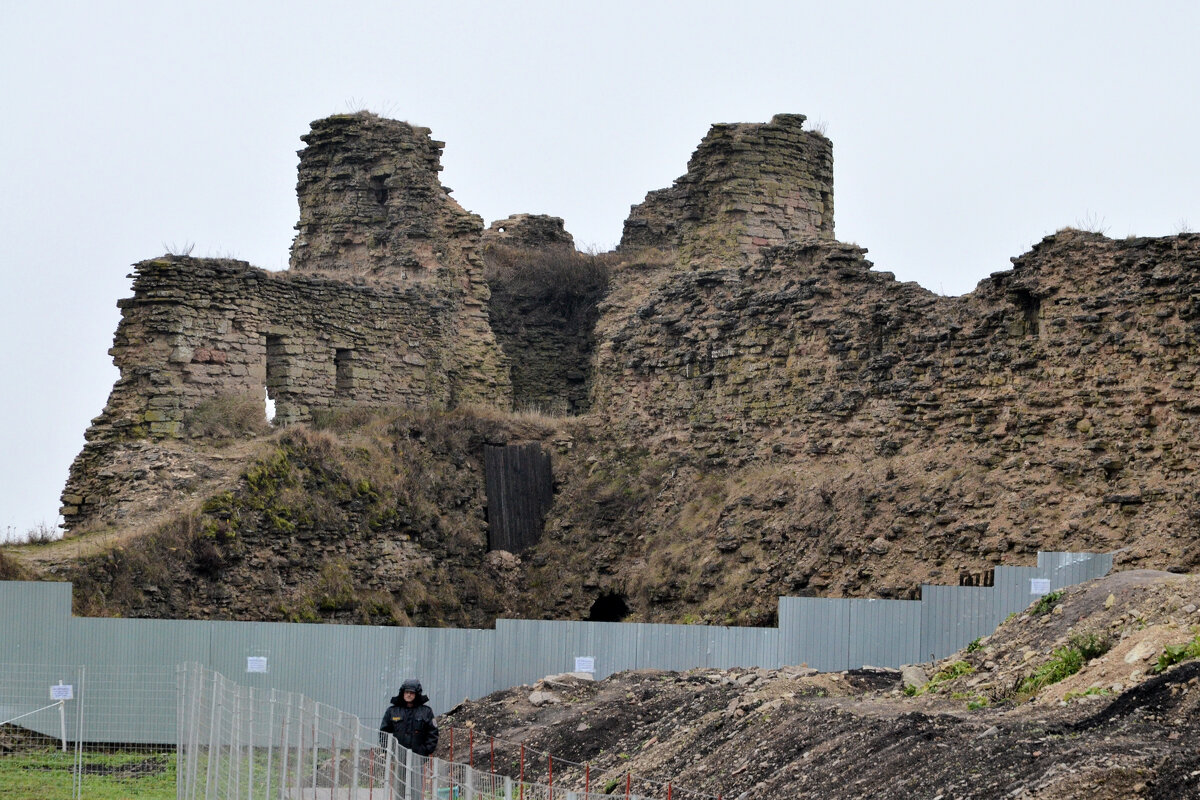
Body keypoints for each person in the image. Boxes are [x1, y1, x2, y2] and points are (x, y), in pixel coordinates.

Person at [380, 678, 439, 756]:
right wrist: (389, 750)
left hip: (418, 756)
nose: (408, 695)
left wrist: (425, 750)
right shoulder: (392, 711)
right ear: (402, 693)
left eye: (412, 693)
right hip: (396, 756)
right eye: (407, 692)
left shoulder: (426, 712)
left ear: (417, 694)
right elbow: (384, 732)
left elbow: (433, 733)